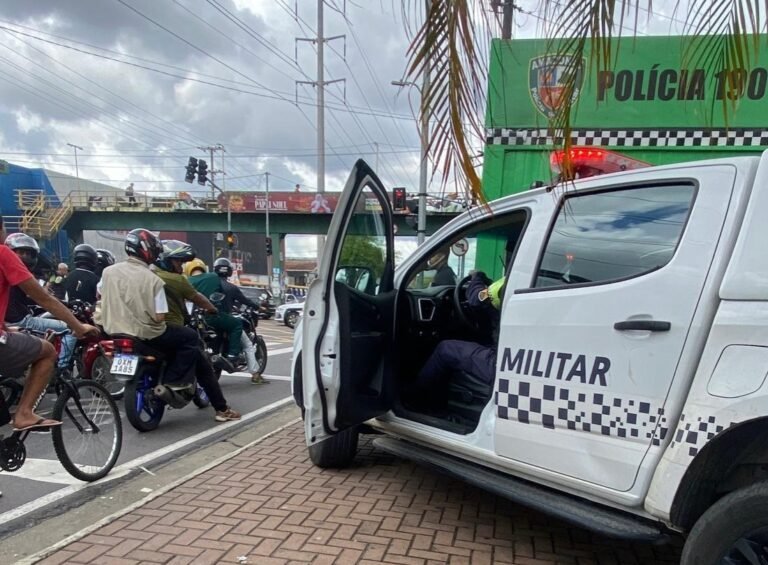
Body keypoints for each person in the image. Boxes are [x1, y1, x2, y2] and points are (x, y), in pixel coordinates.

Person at [0, 216, 98, 432]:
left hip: (8, 328)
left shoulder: (66, 278)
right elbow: (43, 299)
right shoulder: (3, 254)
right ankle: (25, 413)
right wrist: (78, 326)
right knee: (46, 351)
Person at [95, 228, 200, 390]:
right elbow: (159, 317)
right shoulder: (153, 279)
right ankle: (174, 381)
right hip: (146, 334)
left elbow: (100, 298)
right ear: (149, 251)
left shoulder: (107, 272)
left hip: (113, 330)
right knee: (191, 337)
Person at [153, 240, 241, 421]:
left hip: (138, 331)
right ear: (167, 260)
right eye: (178, 262)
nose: (181, 266)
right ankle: (220, 408)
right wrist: (212, 309)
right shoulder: (176, 280)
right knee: (201, 359)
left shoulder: (147, 274)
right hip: (168, 328)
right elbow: (197, 298)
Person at [407, 271, 505, 409]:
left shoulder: (503, 287)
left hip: (500, 363)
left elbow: (475, 299)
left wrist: (477, 277)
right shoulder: (532, 285)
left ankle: (414, 400)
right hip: (512, 356)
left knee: (445, 349)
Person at [4, 233, 78, 373]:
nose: (25, 256)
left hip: (7, 322)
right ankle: (61, 369)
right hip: (20, 321)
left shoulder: (6, 270)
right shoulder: (21, 273)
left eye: (28, 253)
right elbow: (43, 298)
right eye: (21, 252)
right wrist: (77, 325)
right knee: (70, 330)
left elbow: (31, 297)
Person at [211, 257, 269, 385]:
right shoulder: (231, 288)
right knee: (248, 344)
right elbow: (245, 301)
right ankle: (253, 373)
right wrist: (258, 307)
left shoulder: (211, 285)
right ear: (230, 271)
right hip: (224, 319)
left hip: (208, 320)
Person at [187, 258, 244, 363]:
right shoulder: (213, 277)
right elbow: (223, 297)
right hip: (211, 316)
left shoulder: (186, 280)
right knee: (237, 324)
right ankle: (233, 355)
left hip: (192, 319)